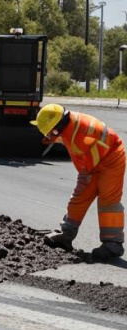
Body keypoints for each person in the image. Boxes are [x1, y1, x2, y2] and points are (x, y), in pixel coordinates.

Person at [32, 104, 125, 261]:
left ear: (56, 128)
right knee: (79, 197)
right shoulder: (68, 124)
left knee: (108, 201)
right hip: (94, 157)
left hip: (112, 158)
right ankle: (66, 234)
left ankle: (113, 244)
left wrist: (85, 177)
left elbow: (89, 162)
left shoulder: (81, 136)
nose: (49, 136)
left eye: (50, 132)